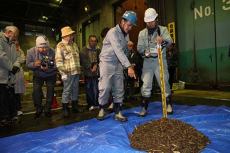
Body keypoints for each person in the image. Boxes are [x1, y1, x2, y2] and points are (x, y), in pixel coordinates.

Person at [97, 11, 137, 122]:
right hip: (107, 62)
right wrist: (128, 66)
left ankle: (118, 112)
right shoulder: (112, 32)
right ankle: (102, 108)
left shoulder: (126, 35)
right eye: (129, 25)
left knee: (119, 88)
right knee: (105, 87)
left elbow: (124, 52)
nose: (130, 28)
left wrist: (129, 53)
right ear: (122, 21)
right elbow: (118, 50)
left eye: (131, 26)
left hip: (118, 63)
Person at [137, 8, 173, 117]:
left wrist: (162, 40)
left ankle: (168, 105)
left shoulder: (163, 30)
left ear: (156, 19)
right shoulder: (142, 33)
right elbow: (139, 47)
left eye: (152, 21)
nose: (150, 23)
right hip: (147, 62)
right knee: (146, 84)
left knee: (164, 82)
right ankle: (144, 107)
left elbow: (170, 41)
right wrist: (144, 52)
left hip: (160, 60)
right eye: (147, 22)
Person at [26, 36, 57, 118]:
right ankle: (38, 109)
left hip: (51, 74)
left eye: (45, 47)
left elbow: (58, 64)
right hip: (38, 74)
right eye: (41, 48)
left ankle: (47, 109)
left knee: (50, 90)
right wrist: (34, 64)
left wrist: (50, 66)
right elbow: (27, 65)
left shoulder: (53, 51)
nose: (44, 50)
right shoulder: (30, 51)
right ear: (37, 46)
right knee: (36, 91)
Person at [55, 26, 81, 117]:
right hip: (67, 72)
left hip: (76, 71)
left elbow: (77, 58)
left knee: (75, 89)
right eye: (69, 35)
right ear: (64, 36)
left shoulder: (74, 44)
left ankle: (74, 106)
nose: (71, 36)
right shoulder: (60, 45)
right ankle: (65, 108)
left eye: (71, 35)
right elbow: (58, 61)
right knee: (67, 90)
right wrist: (62, 73)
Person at [0, 26, 20, 125]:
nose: (16, 37)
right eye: (15, 35)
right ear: (9, 32)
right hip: (2, 75)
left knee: (11, 97)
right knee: (2, 97)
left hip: (10, 76)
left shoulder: (12, 44)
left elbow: (17, 56)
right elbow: (1, 56)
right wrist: (11, 67)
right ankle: (4, 117)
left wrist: (16, 65)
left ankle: (12, 115)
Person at [80, 35, 100, 111]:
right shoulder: (83, 50)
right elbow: (83, 61)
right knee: (89, 90)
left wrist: (96, 65)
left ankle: (96, 104)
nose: (93, 42)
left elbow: (100, 59)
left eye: (95, 41)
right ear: (89, 41)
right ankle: (90, 104)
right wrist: (91, 67)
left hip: (96, 74)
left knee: (96, 89)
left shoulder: (98, 50)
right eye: (92, 41)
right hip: (88, 74)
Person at [15, 41, 26, 116]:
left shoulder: (20, 50)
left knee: (17, 93)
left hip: (18, 73)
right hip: (9, 74)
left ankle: (18, 108)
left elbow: (23, 59)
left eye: (17, 45)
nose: (17, 46)